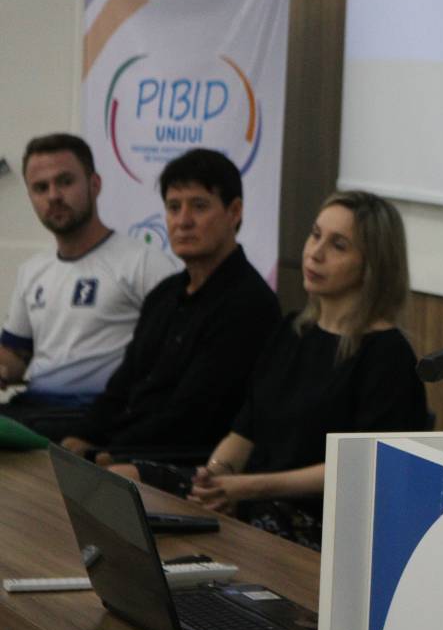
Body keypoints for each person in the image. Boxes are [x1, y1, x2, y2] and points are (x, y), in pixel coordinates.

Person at [117, 191, 429, 550]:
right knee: (123, 479)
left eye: (338, 245)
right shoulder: (293, 330)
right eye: (315, 235)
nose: (315, 253)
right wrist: (215, 476)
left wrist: (247, 487)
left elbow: (366, 469)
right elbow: (245, 430)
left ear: (373, 265)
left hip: (314, 519)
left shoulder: (388, 355)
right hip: (249, 492)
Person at [59, 148, 280, 456]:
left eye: (199, 206)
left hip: (182, 459)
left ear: (234, 212)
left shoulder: (249, 304)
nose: (183, 221)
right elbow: (120, 389)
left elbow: (193, 415)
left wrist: (108, 452)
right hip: (127, 446)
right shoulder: (163, 295)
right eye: (174, 207)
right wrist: (79, 439)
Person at [0, 134, 176, 438]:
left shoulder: (145, 263)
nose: (53, 195)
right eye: (41, 188)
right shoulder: (32, 271)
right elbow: (15, 356)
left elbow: (176, 353)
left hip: (101, 416)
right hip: (33, 409)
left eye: (65, 182)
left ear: (95, 184)